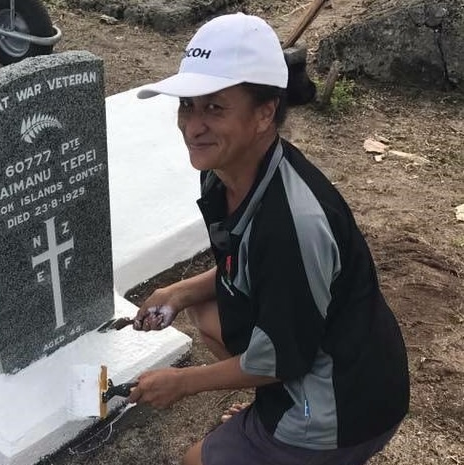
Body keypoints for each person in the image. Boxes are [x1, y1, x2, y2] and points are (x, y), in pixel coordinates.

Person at [128, 12, 410, 465]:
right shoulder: (225, 174)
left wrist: (182, 382)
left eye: (215, 108)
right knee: (204, 309)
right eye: (188, 105)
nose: (192, 126)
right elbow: (242, 261)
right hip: (329, 350)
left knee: (193, 461)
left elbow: (278, 360)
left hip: (345, 406)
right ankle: (270, 413)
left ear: (264, 113)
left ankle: (292, 433)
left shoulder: (293, 222)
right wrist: (178, 290)